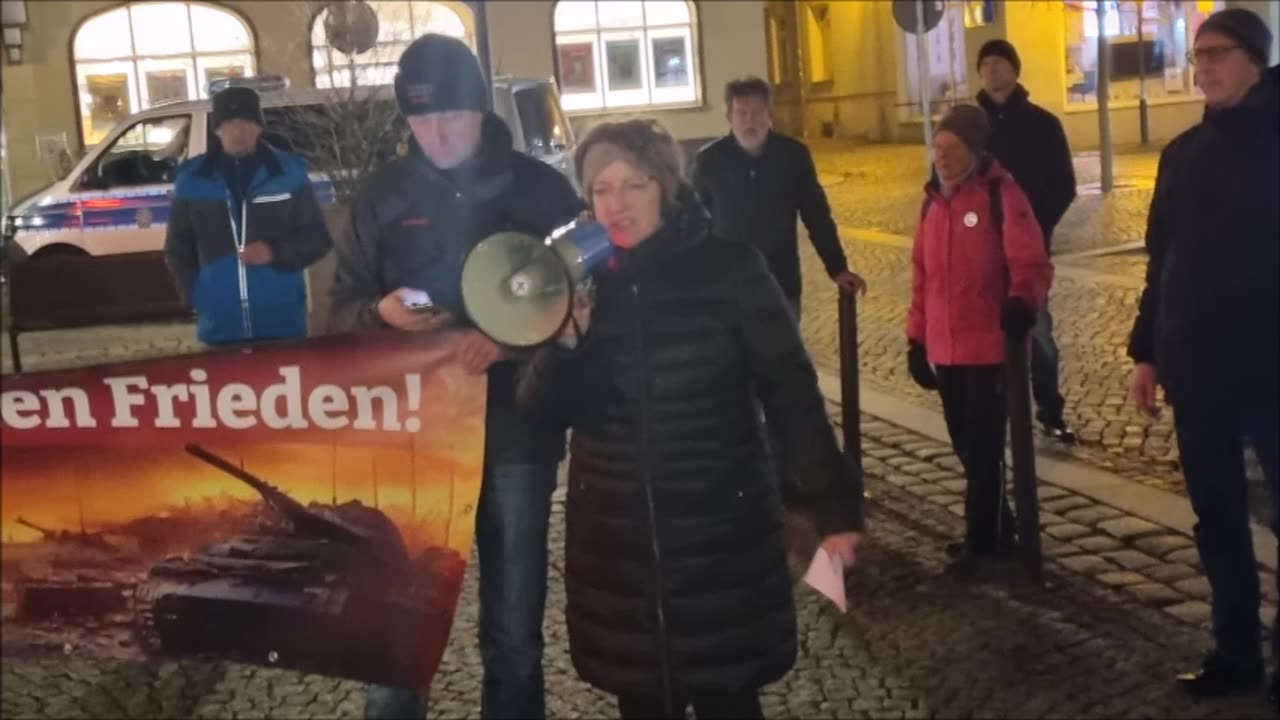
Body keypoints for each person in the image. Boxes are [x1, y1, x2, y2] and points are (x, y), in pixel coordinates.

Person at [517, 119, 865, 719]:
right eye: (600, 188)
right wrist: (565, 340)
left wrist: (832, 508)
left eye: (634, 184)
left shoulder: (730, 270)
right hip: (618, 553)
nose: (616, 204)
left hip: (720, 545)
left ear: (667, 186)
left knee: (730, 697)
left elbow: (791, 393)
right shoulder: (577, 283)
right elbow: (540, 414)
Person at [326, 34, 583, 719]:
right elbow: (338, 313)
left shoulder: (540, 189)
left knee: (513, 627)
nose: (436, 132)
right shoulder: (381, 196)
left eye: (451, 116)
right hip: (413, 441)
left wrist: (512, 343)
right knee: (398, 627)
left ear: (480, 108)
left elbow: (586, 310)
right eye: (420, 118)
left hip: (516, 437)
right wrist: (377, 312)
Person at [1127, 8, 1278, 702]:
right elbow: (1164, 261)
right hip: (1199, 365)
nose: (1205, 66)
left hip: (1271, 363)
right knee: (1216, 517)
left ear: (1255, 58)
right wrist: (1147, 352)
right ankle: (1236, 648)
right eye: (1198, 55)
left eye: (1218, 52)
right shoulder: (1181, 153)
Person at [905, 105, 1053, 572]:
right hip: (947, 348)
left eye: (952, 149)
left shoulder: (1001, 196)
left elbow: (1030, 261)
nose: (942, 157)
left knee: (986, 448)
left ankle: (982, 543)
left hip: (990, 348)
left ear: (974, 150)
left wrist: (1021, 304)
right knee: (965, 443)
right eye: (938, 148)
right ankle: (997, 527)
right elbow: (922, 276)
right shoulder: (933, 202)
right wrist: (916, 338)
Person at [165, 85, 331, 346]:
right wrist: (196, 296)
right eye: (229, 123)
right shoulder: (191, 181)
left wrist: (274, 252)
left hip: (282, 323)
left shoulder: (289, 175)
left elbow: (317, 238)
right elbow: (177, 247)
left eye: (246, 122)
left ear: (259, 126)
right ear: (217, 128)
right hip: (220, 328)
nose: (238, 131)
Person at [690, 76, 866, 322]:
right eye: (742, 112)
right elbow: (696, 221)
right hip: (729, 288)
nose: (750, 120)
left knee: (784, 357)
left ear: (769, 114)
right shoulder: (709, 161)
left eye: (757, 112)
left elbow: (817, 216)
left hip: (780, 283)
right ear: (729, 117)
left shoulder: (792, 156)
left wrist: (837, 267)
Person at [975, 39, 1079, 443]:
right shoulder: (970, 126)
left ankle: (1049, 408)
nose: (992, 70)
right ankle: (993, 410)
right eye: (986, 64)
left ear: (1014, 69)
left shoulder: (1042, 124)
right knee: (986, 334)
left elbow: (1063, 185)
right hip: (981, 252)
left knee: (1038, 333)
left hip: (1028, 254)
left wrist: (1035, 228)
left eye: (999, 62)